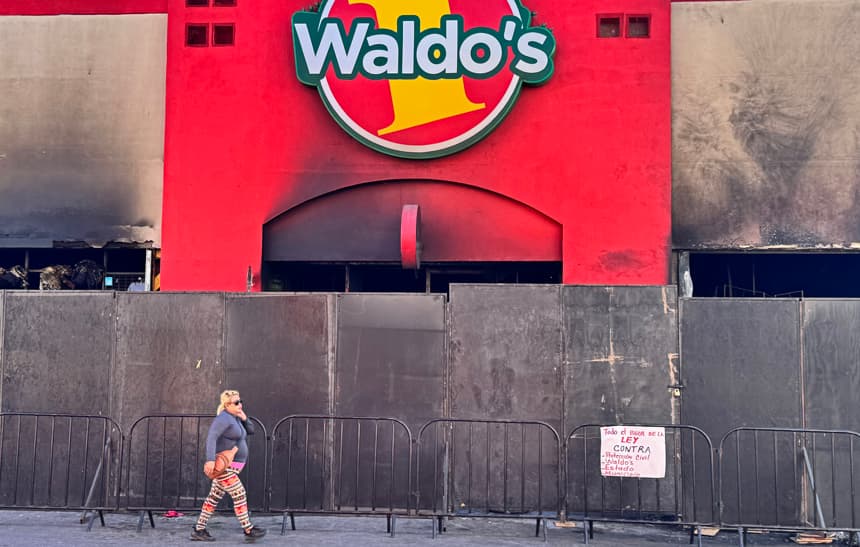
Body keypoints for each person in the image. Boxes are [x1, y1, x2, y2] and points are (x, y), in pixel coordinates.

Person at [191, 390, 266, 542]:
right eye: (236, 403)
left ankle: (199, 529)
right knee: (239, 494)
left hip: (232, 467)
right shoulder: (223, 418)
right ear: (227, 404)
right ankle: (248, 528)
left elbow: (250, 431)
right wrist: (210, 460)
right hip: (226, 468)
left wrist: (244, 418)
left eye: (241, 401)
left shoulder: (235, 418)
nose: (240, 405)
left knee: (213, 498)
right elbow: (211, 437)